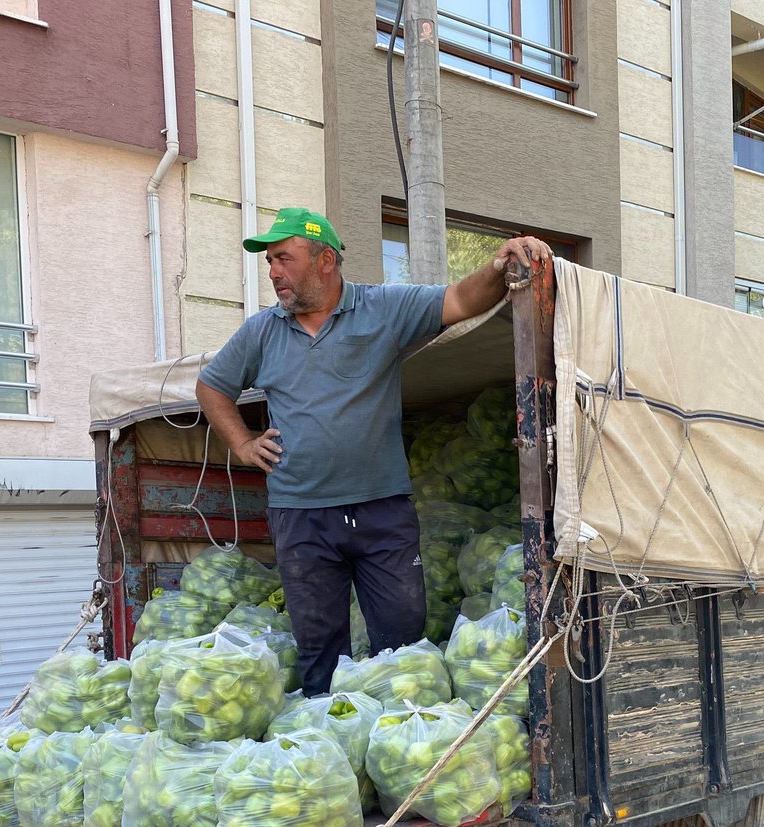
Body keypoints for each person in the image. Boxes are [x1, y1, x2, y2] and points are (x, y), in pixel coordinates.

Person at [196, 206, 551, 695]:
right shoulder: (262, 332)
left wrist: (496, 267)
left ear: (324, 260)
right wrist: (241, 442)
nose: (274, 271)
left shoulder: (381, 309)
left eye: (284, 258)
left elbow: (459, 300)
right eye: (270, 262)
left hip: (381, 511)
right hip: (300, 515)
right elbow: (212, 386)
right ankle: (331, 735)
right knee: (318, 645)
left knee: (401, 639)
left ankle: (396, 734)